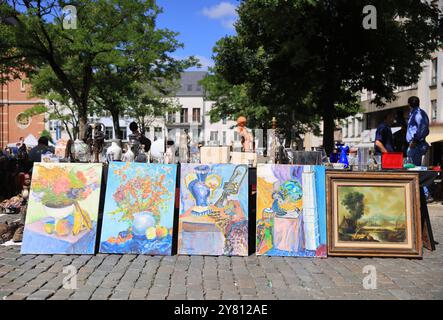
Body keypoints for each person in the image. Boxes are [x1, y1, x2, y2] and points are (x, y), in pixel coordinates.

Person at [406, 96, 430, 166]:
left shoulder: (418, 113)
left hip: (416, 144)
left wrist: (415, 140)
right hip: (415, 144)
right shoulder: (417, 113)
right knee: (412, 168)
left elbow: (423, 127)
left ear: (409, 104)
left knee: (413, 169)